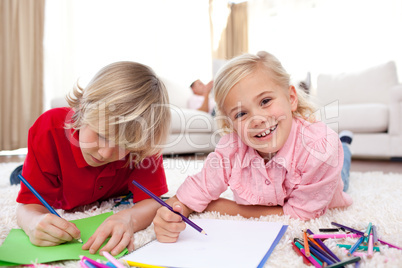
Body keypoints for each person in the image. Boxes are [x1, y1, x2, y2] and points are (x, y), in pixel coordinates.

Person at [153, 51, 353, 243]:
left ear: (291, 98)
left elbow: (301, 213)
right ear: (230, 123)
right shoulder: (232, 148)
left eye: (265, 101)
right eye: (241, 114)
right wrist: (174, 211)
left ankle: (345, 144)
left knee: (342, 172)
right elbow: (199, 187)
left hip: (323, 171)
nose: (257, 119)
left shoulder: (321, 150)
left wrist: (224, 206)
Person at [13, 61, 171, 255]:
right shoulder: (49, 129)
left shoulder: (143, 144)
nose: (105, 153)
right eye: (101, 135)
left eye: (124, 146)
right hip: (53, 177)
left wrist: (129, 218)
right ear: (83, 108)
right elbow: (28, 206)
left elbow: (154, 200)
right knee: (17, 176)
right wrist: (33, 222)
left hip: (109, 192)